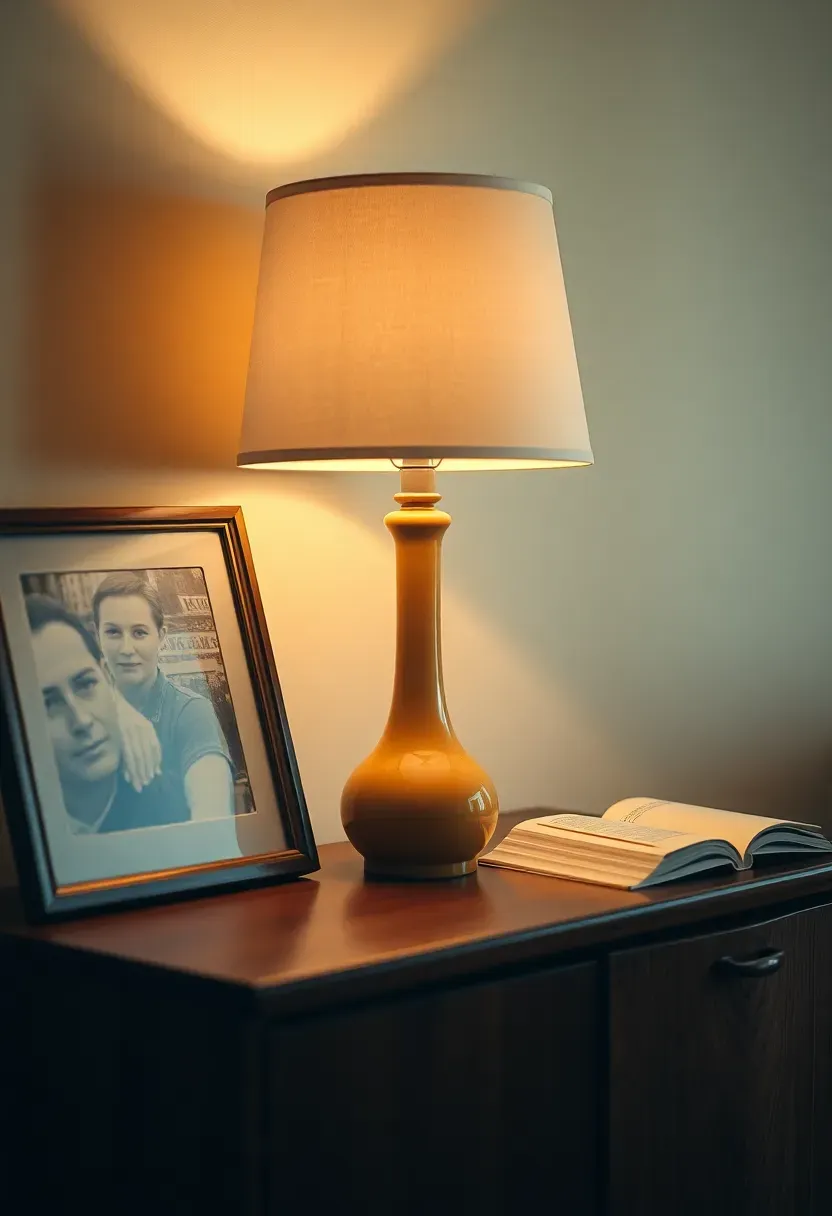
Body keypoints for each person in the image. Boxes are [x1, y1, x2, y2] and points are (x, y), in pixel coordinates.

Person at [92, 572, 236, 821]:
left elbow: (212, 815)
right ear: (98, 637)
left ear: (161, 636)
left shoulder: (190, 710)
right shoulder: (84, 711)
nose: (127, 649)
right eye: (113, 632)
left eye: (139, 633)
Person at [27, 594, 172, 833]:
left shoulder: (176, 807)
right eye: (50, 704)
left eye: (85, 684)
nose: (81, 721)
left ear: (107, 677)